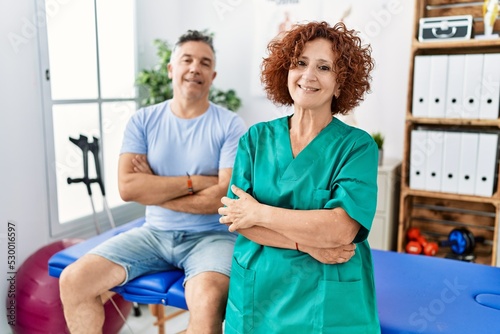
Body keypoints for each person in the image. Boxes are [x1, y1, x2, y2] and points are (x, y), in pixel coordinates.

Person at [59, 30, 247, 334]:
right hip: (154, 234)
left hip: (211, 236)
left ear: (213, 75)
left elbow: (221, 198)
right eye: (187, 60)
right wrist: (197, 181)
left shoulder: (230, 125)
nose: (195, 68)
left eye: (204, 62)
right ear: (172, 69)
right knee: (74, 280)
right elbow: (129, 188)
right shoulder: (143, 121)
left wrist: (154, 188)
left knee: (210, 300)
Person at [219, 21, 379, 333]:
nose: (308, 76)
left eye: (324, 67)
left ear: (341, 82)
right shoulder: (255, 139)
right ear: (286, 71)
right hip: (259, 287)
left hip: (326, 292)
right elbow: (236, 220)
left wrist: (260, 212)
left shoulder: (357, 147)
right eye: (300, 64)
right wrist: (307, 244)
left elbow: (341, 230)